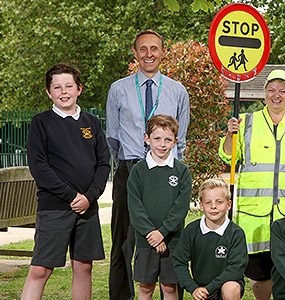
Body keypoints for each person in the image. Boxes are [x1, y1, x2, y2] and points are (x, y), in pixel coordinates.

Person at [219, 69, 285, 300]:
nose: (276, 95)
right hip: (253, 216)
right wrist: (229, 135)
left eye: (282, 90)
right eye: (271, 90)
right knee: (260, 275)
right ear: (264, 93)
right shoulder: (246, 122)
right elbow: (229, 157)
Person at [106, 29, 190, 300]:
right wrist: (136, 160)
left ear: (163, 52)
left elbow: (182, 138)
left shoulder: (178, 91)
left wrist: (162, 160)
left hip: (167, 172)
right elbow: (112, 135)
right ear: (135, 53)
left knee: (168, 236)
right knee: (122, 242)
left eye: (154, 48)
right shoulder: (118, 89)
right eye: (143, 49)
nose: (149, 54)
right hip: (130, 167)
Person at [22, 63, 110, 300]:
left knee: (83, 266)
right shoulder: (41, 122)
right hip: (55, 208)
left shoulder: (92, 122)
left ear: (79, 89)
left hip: (87, 208)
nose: (64, 91)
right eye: (57, 87)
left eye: (69, 86)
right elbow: (39, 167)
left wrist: (89, 197)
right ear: (49, 92)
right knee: (41, 268)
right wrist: (72, 197)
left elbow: (103, 163)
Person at [127, 114, 192, 300]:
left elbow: (180, 208)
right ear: (147, 139)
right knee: (146, 287)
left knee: (170, 287)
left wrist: (162, 233)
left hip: (173, 240)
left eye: (168, 139)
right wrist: (152, 235)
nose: (162, 144)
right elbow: (135, 207)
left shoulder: (181, 171)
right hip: (145, 240)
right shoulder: (138, 171)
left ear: (175, 141)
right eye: (156, 138)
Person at [173, 178, 248, 300]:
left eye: (219, 202)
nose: (213, 206)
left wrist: (211, 288)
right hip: (201, 289)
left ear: (228, 205)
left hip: (225, 284)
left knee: (230, 287)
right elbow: (179, 261)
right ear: (201, 206)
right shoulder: (191, 230)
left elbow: (236, 268)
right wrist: (193, 288)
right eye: (208, 202)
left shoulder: (236, 233)